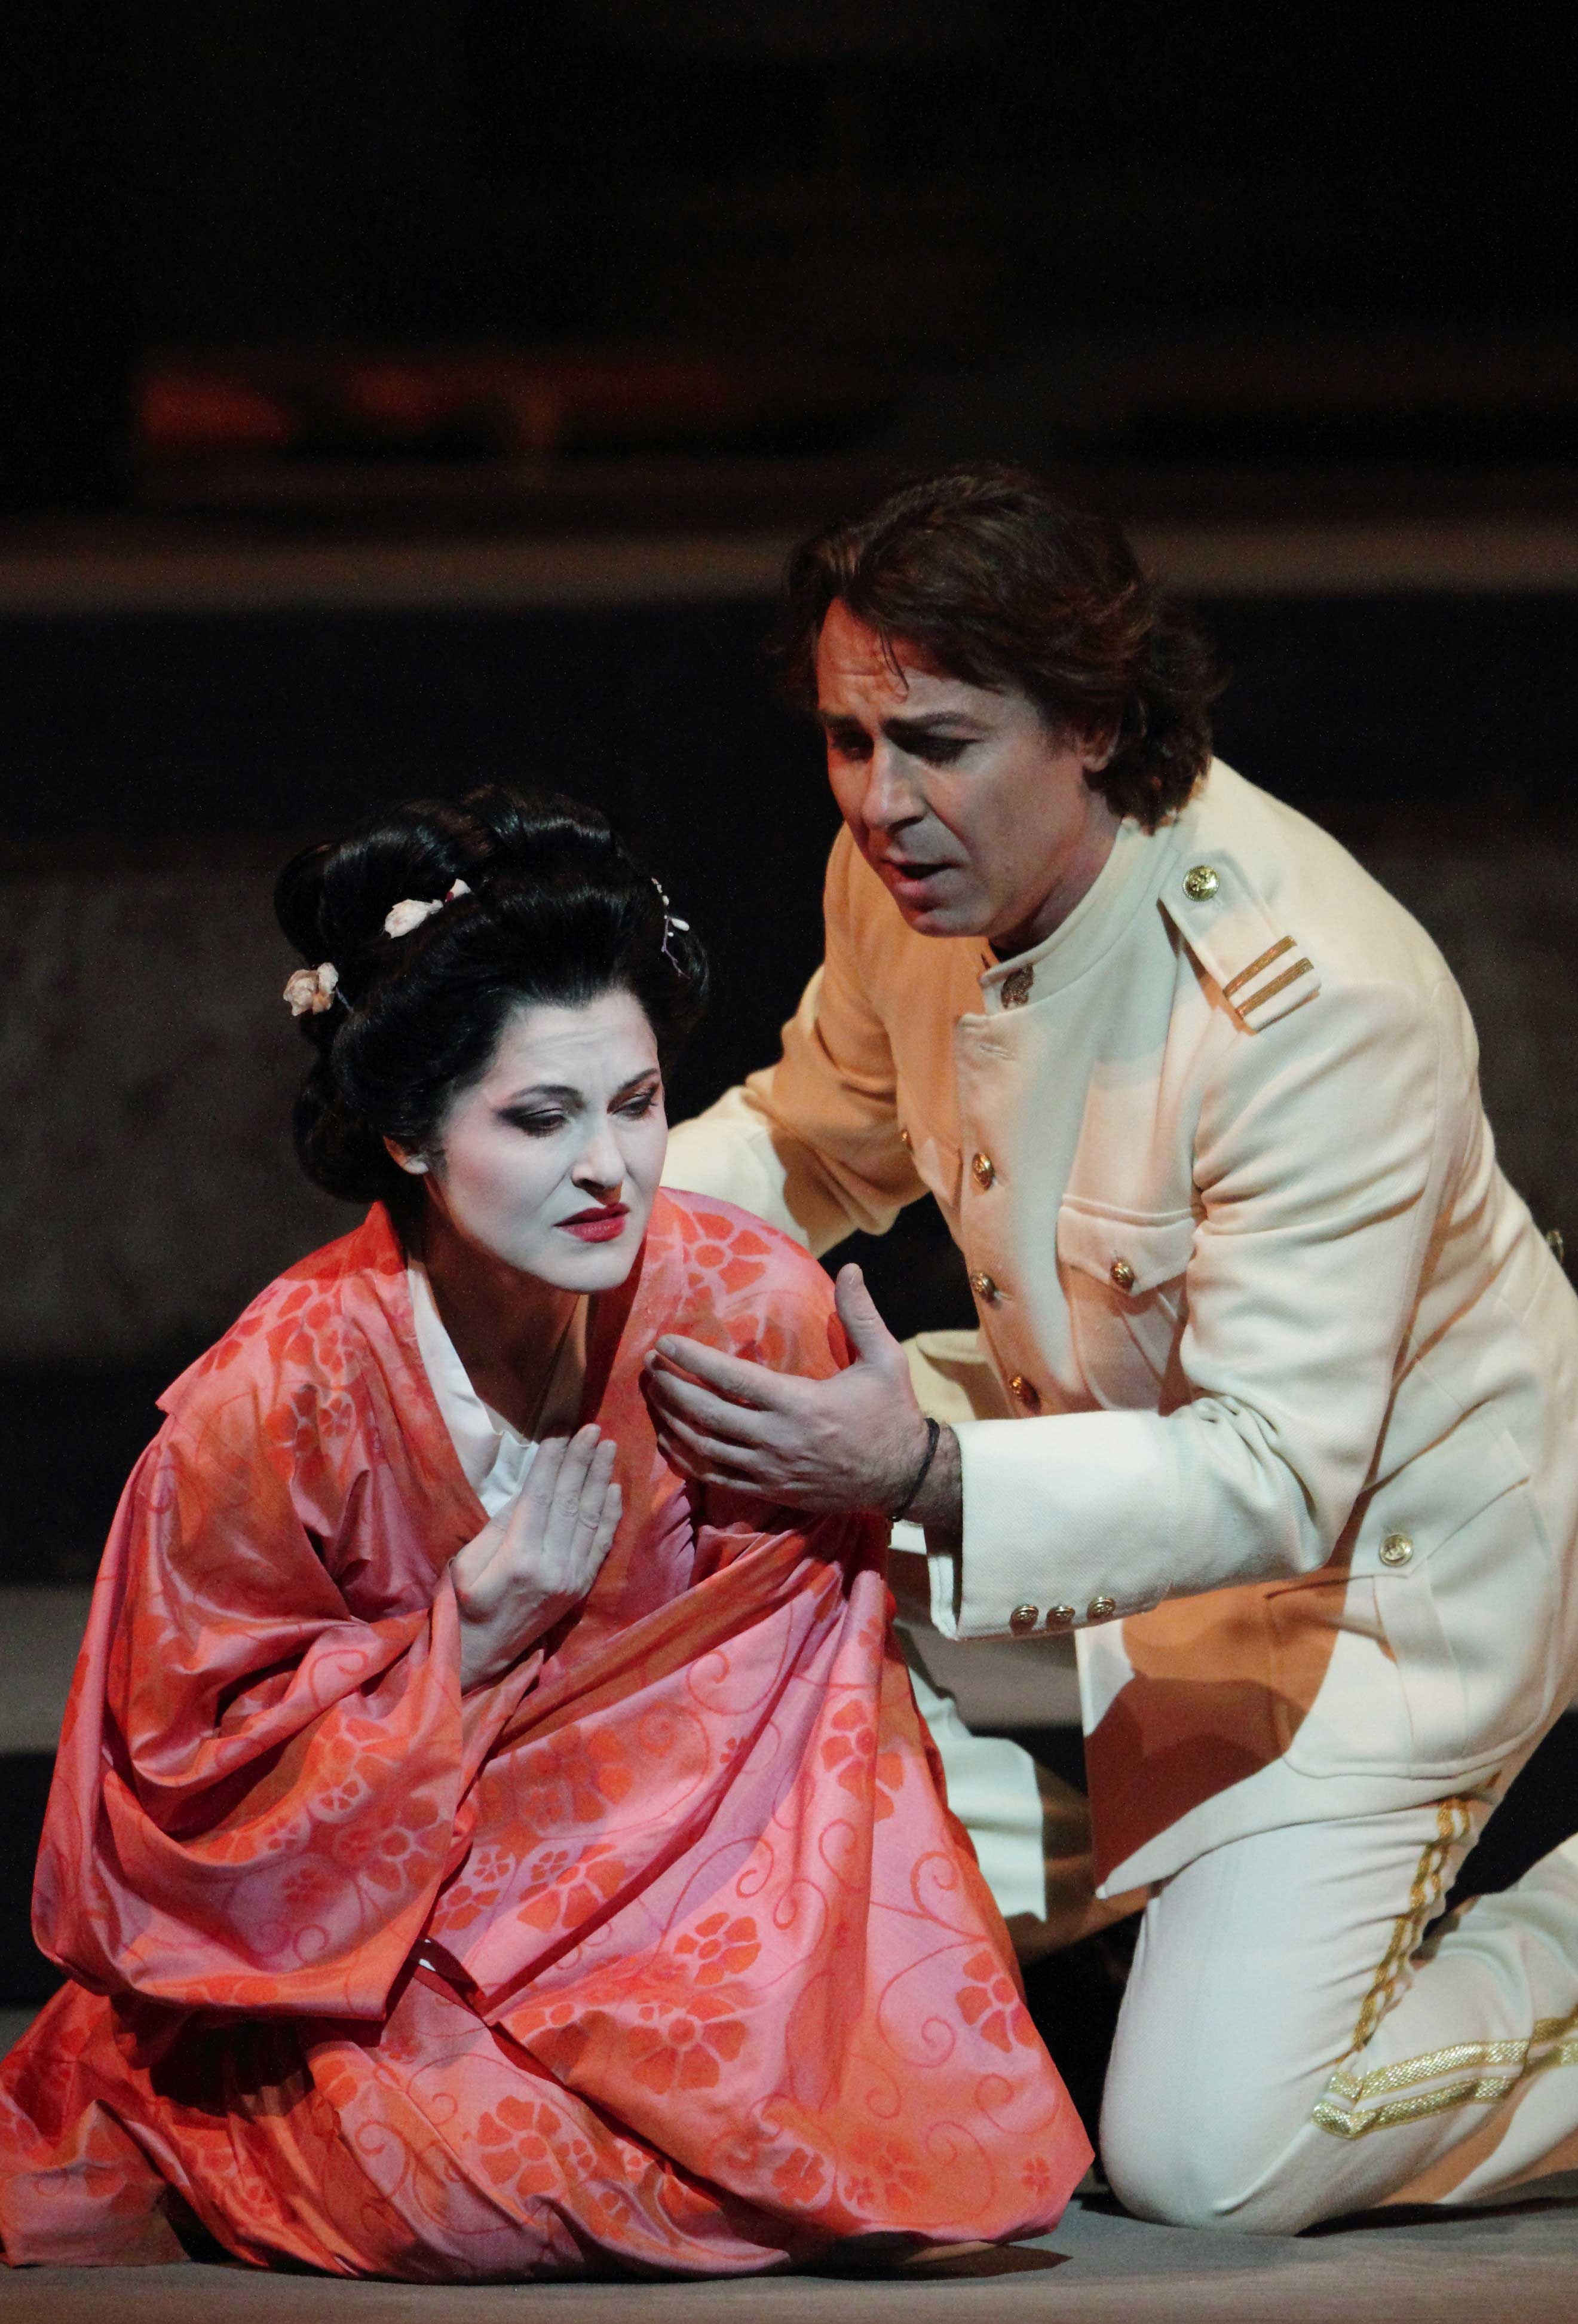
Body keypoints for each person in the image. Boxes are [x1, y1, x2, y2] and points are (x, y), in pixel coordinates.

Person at [651, 467, 1578, 2231]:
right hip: (1104, 1469)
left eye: (936, 741)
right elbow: (812, 1141)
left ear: (1091, 722)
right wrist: (549, 1227)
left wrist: (921, 1472)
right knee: (680, 1393)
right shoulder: (909, 879)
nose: (880, 800)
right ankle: (1074, 1899)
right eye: (848, 740)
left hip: (1387, 1573)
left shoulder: (1310, 1000)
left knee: (1211, 2158)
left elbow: (1272, 1472)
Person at [0, 785, 1087, 2278]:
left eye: (637, 1104)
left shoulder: (747, 1310)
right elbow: (176, 1787)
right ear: (407, 1135)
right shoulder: (271, 1401)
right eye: (539, 1118)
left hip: (699, 1903)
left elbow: (794, 1720)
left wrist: (886, 1467)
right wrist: (463, 1646)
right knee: (460, 2182)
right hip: (399, 1925)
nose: (610, 1168)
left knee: (851, 2125)